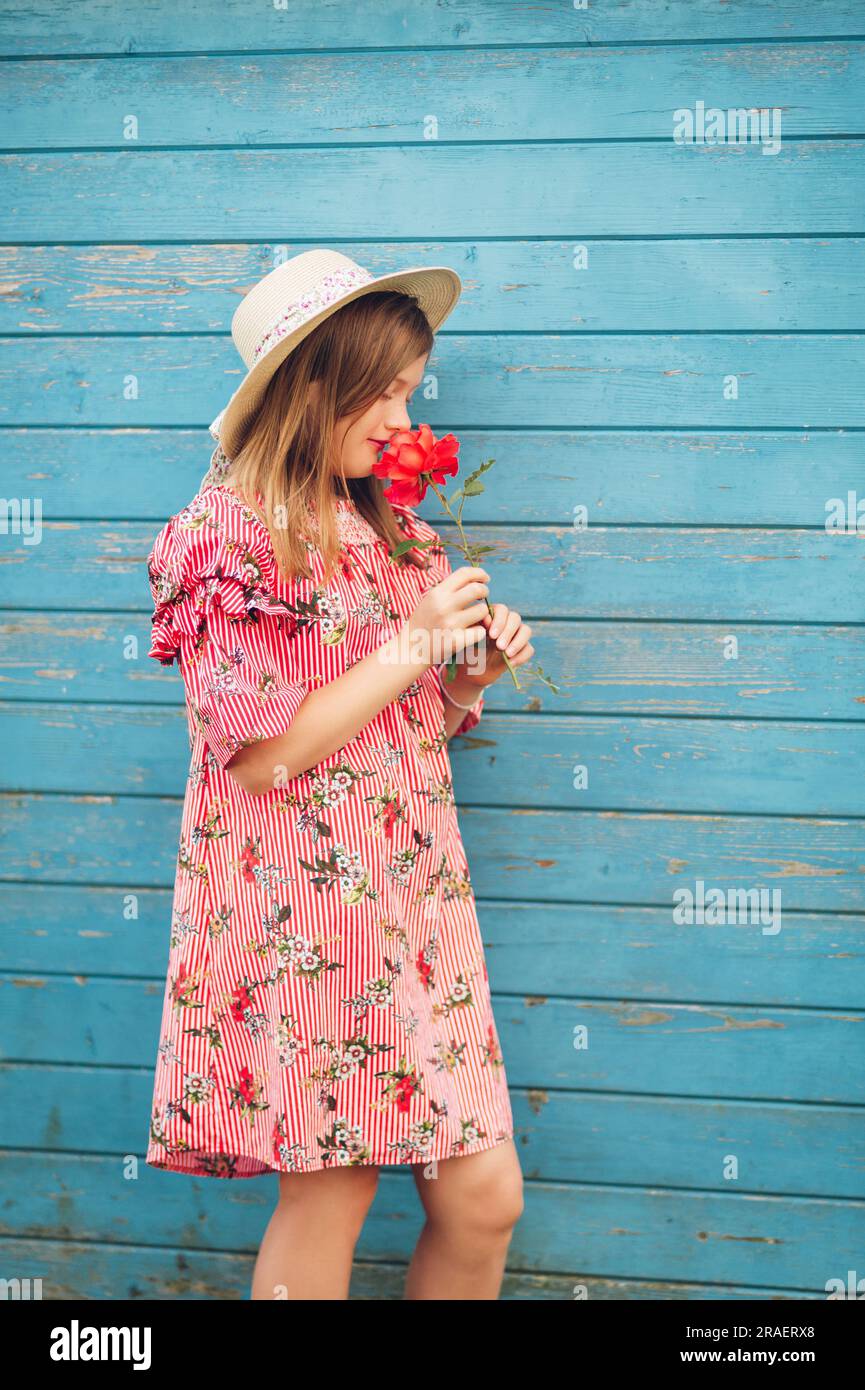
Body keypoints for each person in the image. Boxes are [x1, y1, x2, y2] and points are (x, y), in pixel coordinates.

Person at [144, 249, 534, 1299]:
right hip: (302, 915)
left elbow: (392, 730)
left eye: (414, 389)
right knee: (335, 1183)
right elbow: (265, 754)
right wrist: (410, 643)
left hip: (413, 899)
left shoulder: (388, 530)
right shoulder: (222, 540)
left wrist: (462, 674)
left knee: (483, 1195)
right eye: (388, 388)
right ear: (312, 382)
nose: (404, 413)